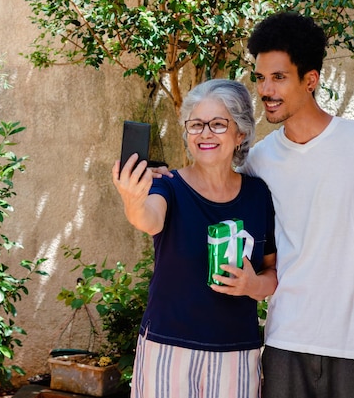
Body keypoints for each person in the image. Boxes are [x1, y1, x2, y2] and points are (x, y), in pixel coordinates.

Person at [239, 12, 354, 398]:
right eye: (260, 77)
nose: (265, 90)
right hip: (285, 344)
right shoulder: (260, 160)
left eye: (278, 77)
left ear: (310, 80)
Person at [112, 79, 278, 398]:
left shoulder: (258, 195)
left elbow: (272, 272)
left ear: (239, 132)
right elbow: (148, 219)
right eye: (196, 124)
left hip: (236, 354)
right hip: (167, 348)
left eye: (217, 124)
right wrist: (132, 197)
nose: (204, 133)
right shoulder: (168, 186)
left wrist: (252, 285)